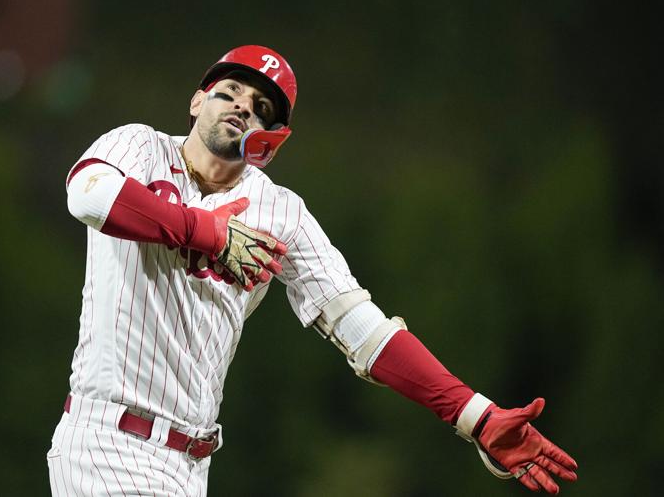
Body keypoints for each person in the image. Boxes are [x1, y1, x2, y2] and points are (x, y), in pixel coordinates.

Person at [47, 45, 578, 496]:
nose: (240, 107)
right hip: (106, 438)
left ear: (270, 143)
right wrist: (209, 233)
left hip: (190, 462)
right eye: (228, 92)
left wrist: (475, 415)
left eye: (260, 108)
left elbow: (361, 328)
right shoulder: (139, 145)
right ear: (196, 100)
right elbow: (89, 195)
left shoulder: (281, 212)